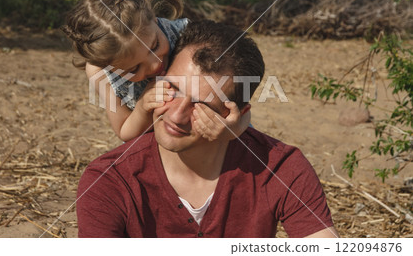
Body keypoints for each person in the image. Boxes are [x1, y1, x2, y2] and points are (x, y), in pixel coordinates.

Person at [76, 20, 339, 238]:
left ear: (236, 115)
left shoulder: (281, 168)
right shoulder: (108, 180)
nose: (177, 116)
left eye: (201, 105)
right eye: (172, 90)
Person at [61, 0, 249, 142]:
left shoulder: (188, 35)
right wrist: (143, 107)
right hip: (160, 143)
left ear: (154, 18)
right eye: (134, 69)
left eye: (154, 46)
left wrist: (236, 129)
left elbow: (240, 102)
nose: (154, 65)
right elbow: (124, 131)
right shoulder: (100, 72)